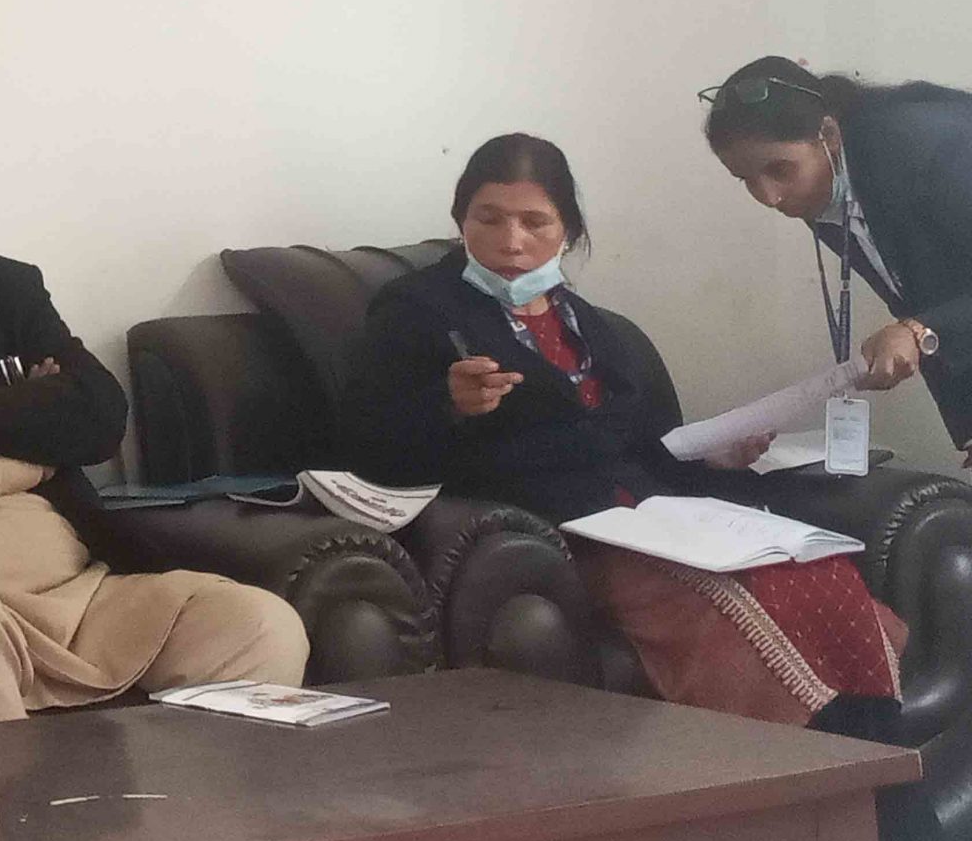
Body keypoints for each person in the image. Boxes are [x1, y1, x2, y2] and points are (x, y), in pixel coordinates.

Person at [341, 134, 905, 729]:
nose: (511, 241)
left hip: (656, 515)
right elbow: (367, 450)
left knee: (815, 571)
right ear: (461, 219)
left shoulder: (589, 325)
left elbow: (637, 444)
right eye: (489, 218)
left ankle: (874, 753)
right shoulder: (416, 312)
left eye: (534, 222)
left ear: (567, 230)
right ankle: (796, 759)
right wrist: (447, 405)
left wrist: (711, 457)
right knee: (730, 607)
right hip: (566, 528)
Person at [0, 172, 308, 730]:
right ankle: (11, 795)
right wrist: (30, 435)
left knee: (259, 625)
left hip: (75, 582)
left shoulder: (1, 285)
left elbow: (99, 416)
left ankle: (184, 790)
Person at [702, 56, 972, 466]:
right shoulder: (824, 188)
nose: (770, 197)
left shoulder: (930, 146)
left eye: (779, 169)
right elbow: (919, 296)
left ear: (828, 134)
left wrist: (919, 331)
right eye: (746, 180)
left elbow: (922, 321)